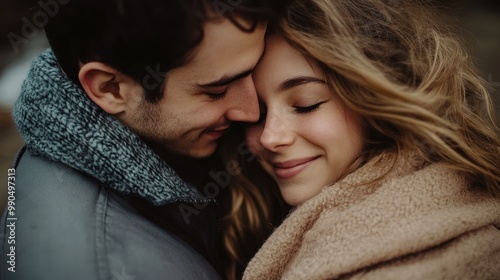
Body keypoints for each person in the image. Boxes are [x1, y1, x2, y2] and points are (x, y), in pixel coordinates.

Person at [0, 0, 291, 279]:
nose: (251, 112)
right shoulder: (93, 265)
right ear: (111, 89)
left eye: (253, 71)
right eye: (216, 91)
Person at [220, 0, 500, 278]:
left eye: (306, 104)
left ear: (373, 99)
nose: (270, 137)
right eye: (258, 113)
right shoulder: (248, 220)